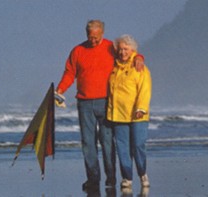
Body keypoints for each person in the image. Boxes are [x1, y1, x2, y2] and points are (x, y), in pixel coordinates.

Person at [55, 20, 144, 191]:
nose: (93, 40)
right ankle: (93, 179)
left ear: (102, 33)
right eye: (90, 37)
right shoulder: (78, 51)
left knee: (107, 142)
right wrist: (60, 90)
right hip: (84, 102)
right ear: (86, 33)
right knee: (88, 143)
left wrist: (140, 57)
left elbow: (129, 54)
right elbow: (69, 73)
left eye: (96, 37)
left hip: (106, 102)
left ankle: (110, 178)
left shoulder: (112, 47)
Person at [107, 34, 152, 189]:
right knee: (122, 148)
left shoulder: (139, 66)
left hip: (137, 115)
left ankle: (142, 173)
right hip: (118, 115)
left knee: (138, 145)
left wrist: (141, 108)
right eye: (120, 49)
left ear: (132, 49)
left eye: (126, 49)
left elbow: (144, 90)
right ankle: (127, 177)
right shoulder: (113, 67)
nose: (122, 52)